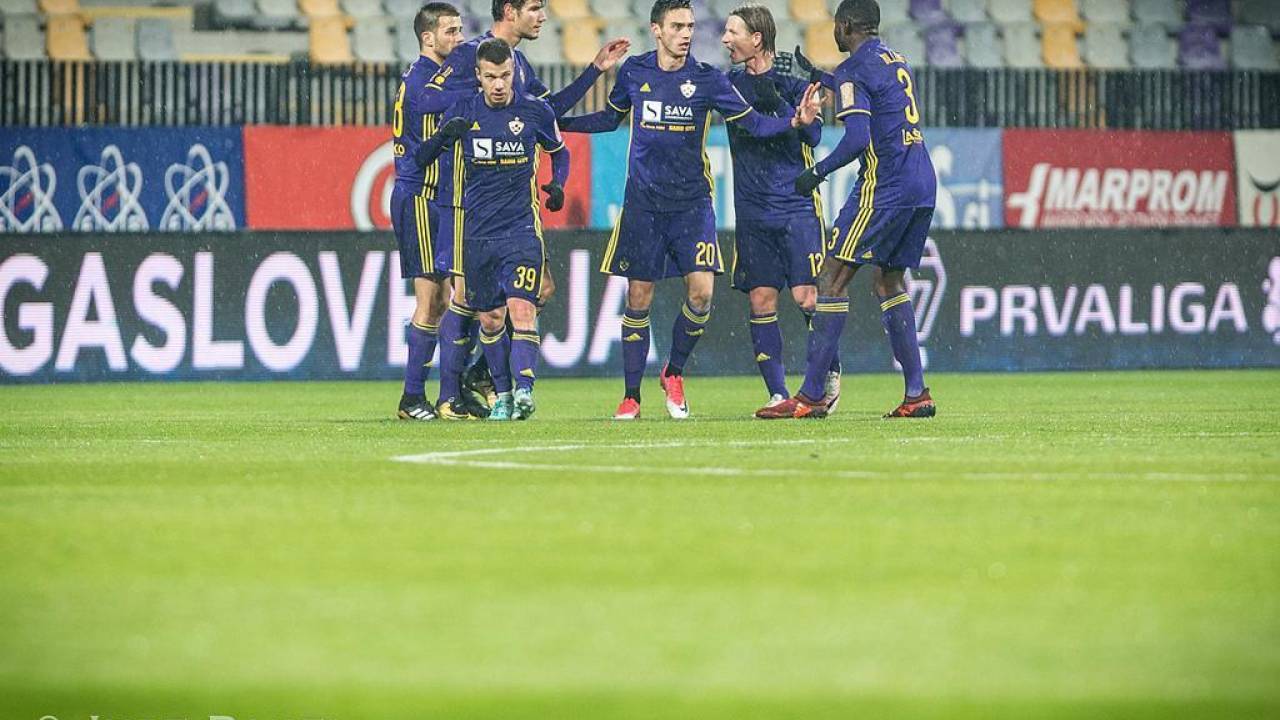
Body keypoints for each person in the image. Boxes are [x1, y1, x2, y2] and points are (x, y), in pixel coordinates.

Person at [558, 0, 820, 420]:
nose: (686, 34)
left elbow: (753, 123)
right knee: (638, 297)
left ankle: (673, 372)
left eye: (690, 26)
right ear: (656, 29)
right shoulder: (635, 71)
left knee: (701, 294)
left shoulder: (707, 79)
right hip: (643, 204)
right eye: (677, 26)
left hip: (692, 205)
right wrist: (560, 125)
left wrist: (793, 122)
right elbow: (609, 119)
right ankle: (631, 397)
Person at [422, 0, 629, 420]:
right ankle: (450, 392)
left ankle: (486, 377)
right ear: (510, 11)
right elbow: (426, 100)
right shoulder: (470, 54)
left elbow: (550, 114)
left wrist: (594, 70)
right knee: (468, 302)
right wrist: (457, 122)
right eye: (534, 7)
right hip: (465, 202)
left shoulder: (519, 64)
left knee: (533, 294)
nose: (542, 16)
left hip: (514, 210)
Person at [757, 0, 938, 420]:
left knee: (832, 278)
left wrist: (816, 172)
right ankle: (916, 393)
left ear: (847, 25)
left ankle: (811, 395)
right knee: (888, 280)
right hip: (921, 180)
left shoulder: (854, 69)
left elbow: (857, 139)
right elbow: (871, 91)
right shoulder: (894, 59)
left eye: (836, 26)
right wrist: (819, 76)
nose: (834, 32)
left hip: (885, 184)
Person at [415, 38, 570, 420]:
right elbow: (421, 159)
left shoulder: (534, 111)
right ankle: (503, 395)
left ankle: (525, 390)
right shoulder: (464, 110)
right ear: (478, 76)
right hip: (478, 234)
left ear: (514, 72)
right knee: (490, 318)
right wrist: (444, 137)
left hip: (521, 230)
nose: (498, 84)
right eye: (490, 77)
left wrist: (558, 183)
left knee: (522, 307)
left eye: (504, 75)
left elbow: (560, 152)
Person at [719, 3, 842, 417]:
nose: (724, 39)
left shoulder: (793, 84)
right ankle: (777, 393)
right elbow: (752, 125)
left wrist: (800, 115)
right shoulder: (728, 86)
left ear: (756, 39)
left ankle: (827, 374)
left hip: (795, 206)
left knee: (807, 298)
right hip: (752, 211)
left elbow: (814, 137)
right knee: (760, 299)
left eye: (732, 32)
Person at [390, 2, 465, 421]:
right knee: (432, 298)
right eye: (450, 31)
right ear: (427, 37)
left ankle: (447, 394)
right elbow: (422, 149)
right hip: (419, 195)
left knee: (449, 299)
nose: (457, 38)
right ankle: (412, 397)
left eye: (459, 30)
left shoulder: (434, 77)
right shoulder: (422, 80)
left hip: (439, 197)